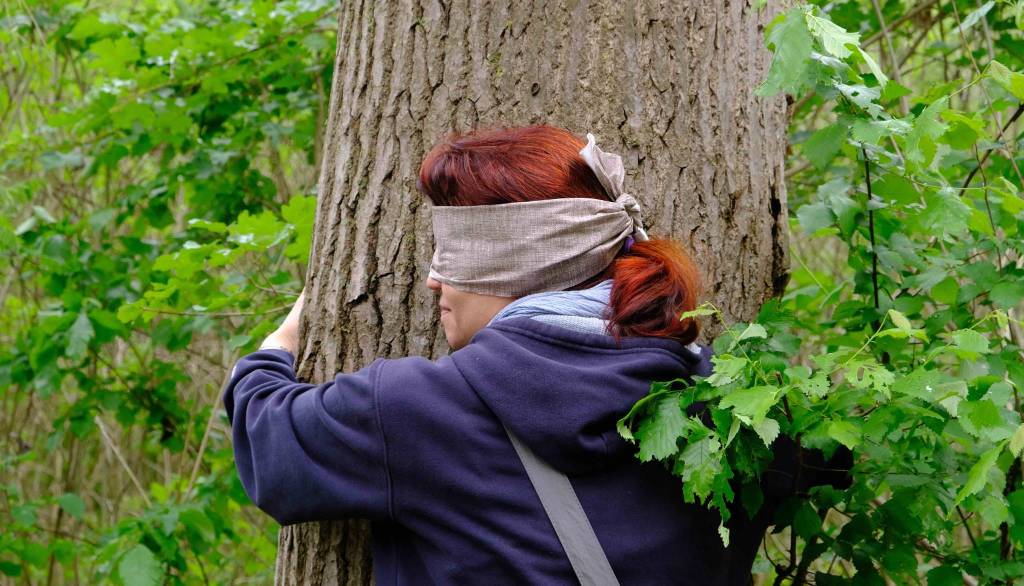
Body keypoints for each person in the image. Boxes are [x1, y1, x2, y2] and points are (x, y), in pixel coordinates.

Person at [223, 125, 851, 585]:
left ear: (517, 265)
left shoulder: (413, 413)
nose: (434, 281)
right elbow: (836, 453)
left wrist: (284, 339)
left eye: (455, 255)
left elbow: (269, 440)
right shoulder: (730, 405)